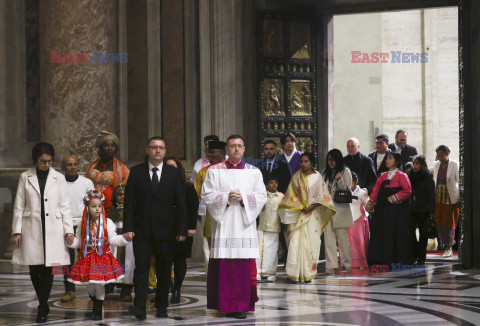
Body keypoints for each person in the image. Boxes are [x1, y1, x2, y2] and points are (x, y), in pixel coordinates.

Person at [202, 135, 267, 319]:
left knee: (243, 267)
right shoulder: (214, 171)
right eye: (232, 146)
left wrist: (244, 198)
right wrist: (225, 197)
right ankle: (224, 304)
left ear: (244, 149)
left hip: (244, 225)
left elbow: (261, 196)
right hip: (224, 225)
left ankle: (240, 306)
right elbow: (206, 194)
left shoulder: (254, 172)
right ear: (227, 149)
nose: (236, 149)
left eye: (239, 146)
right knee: (224, 264)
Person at [123, 136, 187, 320]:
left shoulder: (173, 174)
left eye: (161, 148)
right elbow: (129, 202)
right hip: (141, 231)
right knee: (141, 269)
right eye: (153, 147)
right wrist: (128, 227)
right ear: (147, 150)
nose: (157, 151)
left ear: (165, 151)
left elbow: (180, 203)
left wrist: (182, 230)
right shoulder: (136, 172)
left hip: (167, 232)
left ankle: (161, 307)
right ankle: (140, 307)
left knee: (164, 270)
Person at [11, 142, 74, 323]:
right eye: (43, 162)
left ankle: (42, 305)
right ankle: (42, 301)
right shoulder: (25, 177)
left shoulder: (59, 178)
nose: (46, 165)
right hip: (31, 227)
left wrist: (68, 230)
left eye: (49, 162)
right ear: (35, 160)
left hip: (53, 228)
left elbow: (65, 206)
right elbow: (18, 206)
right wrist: (17, 231)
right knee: (34, 268)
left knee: (49, 269)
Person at [67, 190, 132, 320]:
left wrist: (125, 238)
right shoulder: (82, 224)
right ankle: (93, 299)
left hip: (103, 257)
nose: (97, 209)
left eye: (99, 206)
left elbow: (112, 240)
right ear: (87, 207)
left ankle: (98, 308)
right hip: (87, 258)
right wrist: (72, 241)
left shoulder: (108, 223)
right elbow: (80, 242)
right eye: (93, 206)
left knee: (99, 284)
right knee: (91, 286)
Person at [278, 152, 336, 281]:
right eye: (302, 161)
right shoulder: (296, 177)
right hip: (299, 214)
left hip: (313, 215)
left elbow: (324, 197)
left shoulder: (318, 177)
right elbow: (290, 196)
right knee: (295, 243)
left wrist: (312, 206)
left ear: (312, 163)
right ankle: (294, 273)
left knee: (312, 243)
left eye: (306, 161)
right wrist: (300, 206)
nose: (303, 164)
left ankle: (309, 272)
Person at [366, 152, 413, 267]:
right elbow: (375, 191)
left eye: (390, 158)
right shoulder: (382, 176)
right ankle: (382, 258)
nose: (387, 160)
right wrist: (371, 202)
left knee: (397, 234)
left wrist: (394, 198)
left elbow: (407, 191)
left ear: (396, 162)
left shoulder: (402, 176)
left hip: (398, 212)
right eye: (387, 158)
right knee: (383, 233)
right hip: (383, 212)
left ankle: (397, 259)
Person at [164, 156, 199, 304]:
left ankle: (177, 289)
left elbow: (193, 208)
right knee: (164, 260)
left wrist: (191, 227)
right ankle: (168, 288)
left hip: (182, 229)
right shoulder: (160, 185)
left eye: (173, 166)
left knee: (179, 260)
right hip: (164, 228)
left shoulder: (187, 186)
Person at [60, 155, 95, 303]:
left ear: (79, 166)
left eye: (75, 164)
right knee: (66, 260)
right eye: (69, 165)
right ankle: (69, 289)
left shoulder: (86, 183)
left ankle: (92, 291)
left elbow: (93, 203)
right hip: (65, 224)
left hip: (83, 224)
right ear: (63, 167)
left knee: (88, 258)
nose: (72, 167)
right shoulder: (58, 183)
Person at [255, 140, 292, 264]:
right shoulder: (258, 165)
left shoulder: (283, 164)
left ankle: (284, 258)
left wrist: (281, 198)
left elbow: (288, 183)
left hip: (278, 201)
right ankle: (262, 262)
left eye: (271, 149)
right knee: (262, 233)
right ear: (263, 150)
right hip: (263, 201)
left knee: (280, 233)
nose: (269, 151)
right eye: (266, 149)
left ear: (276, 150)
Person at [194, 140, 227, 272]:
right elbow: (196, 193)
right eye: (212, 153)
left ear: (223, 153)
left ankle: (225, 269)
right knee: (210, 241)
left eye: (217, 152)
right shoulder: (203, 171)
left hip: (229, 211)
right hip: (209, 212)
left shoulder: (230, 170)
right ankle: (211, 270)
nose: (214, 155)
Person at [321, 149, 354, 274]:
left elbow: (347, 190)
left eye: (333, 160)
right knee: (329, 239)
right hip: (327, 210)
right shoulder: (324, 172)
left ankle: (347, 264)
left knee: (343, 240)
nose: (331, 162)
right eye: (329, 160)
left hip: (341, 209)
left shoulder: (346, 171)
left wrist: (339, 179)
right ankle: (331, 266)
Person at [85, 131, 129, 215]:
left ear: (116, 148)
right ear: (101, 147)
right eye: (106, 145)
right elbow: (85, 184)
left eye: (113, 145)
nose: (110, 148)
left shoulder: (122, 168)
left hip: (111, 209)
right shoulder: (92, 166)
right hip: (92, 207)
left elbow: (124, 191)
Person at [108, 185, 135, 301]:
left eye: (125, 194)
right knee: (112, 262)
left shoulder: (133, 208)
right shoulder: (111, 209)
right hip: (115, 239)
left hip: (128, 240)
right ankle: (110, 285)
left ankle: (127, 288)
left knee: (129, 263)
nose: (122, 197)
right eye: (120, 194)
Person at [432, 145, 459, 258]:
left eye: (442, 155)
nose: (439, 158)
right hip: (438, 196)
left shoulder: (454, 164)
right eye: (438, 155)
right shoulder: (436, 164)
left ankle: (449, 248)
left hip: (450, 196)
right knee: (438, 221)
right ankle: (448, 242)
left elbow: (459, 181)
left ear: (448, 153)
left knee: (449, 222)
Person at [408, 155, 435, 264]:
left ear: (422, 164)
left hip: (424, 209)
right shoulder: (410, 174)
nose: (414, 166)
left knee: (423, 233)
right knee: (410, 231)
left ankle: (421, 257)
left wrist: (432, 211)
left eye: (417, 163)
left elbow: (431, 194)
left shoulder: (427, 176)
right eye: (413, 163)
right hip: (412, 208)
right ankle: (415, 253)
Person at [256, 176, 284, 282]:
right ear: (266, 185)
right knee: (260, 251)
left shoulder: (281, 196)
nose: (274, 185)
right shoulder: (261, 196)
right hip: (262, 226)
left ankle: (271, 273)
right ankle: (257, 272)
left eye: (276, 182)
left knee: (272, 252)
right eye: (271, 182)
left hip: (275, 227)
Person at [349, 172, 370, 270]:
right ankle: (350, 263)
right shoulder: (345, 191)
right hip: (348, 219)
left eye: (351, 182)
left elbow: (368, 204)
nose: (349, 184)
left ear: (356, 182)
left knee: (359, 242)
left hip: (359, 220)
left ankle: (361, 262)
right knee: (349, 242)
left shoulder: (362, 192)